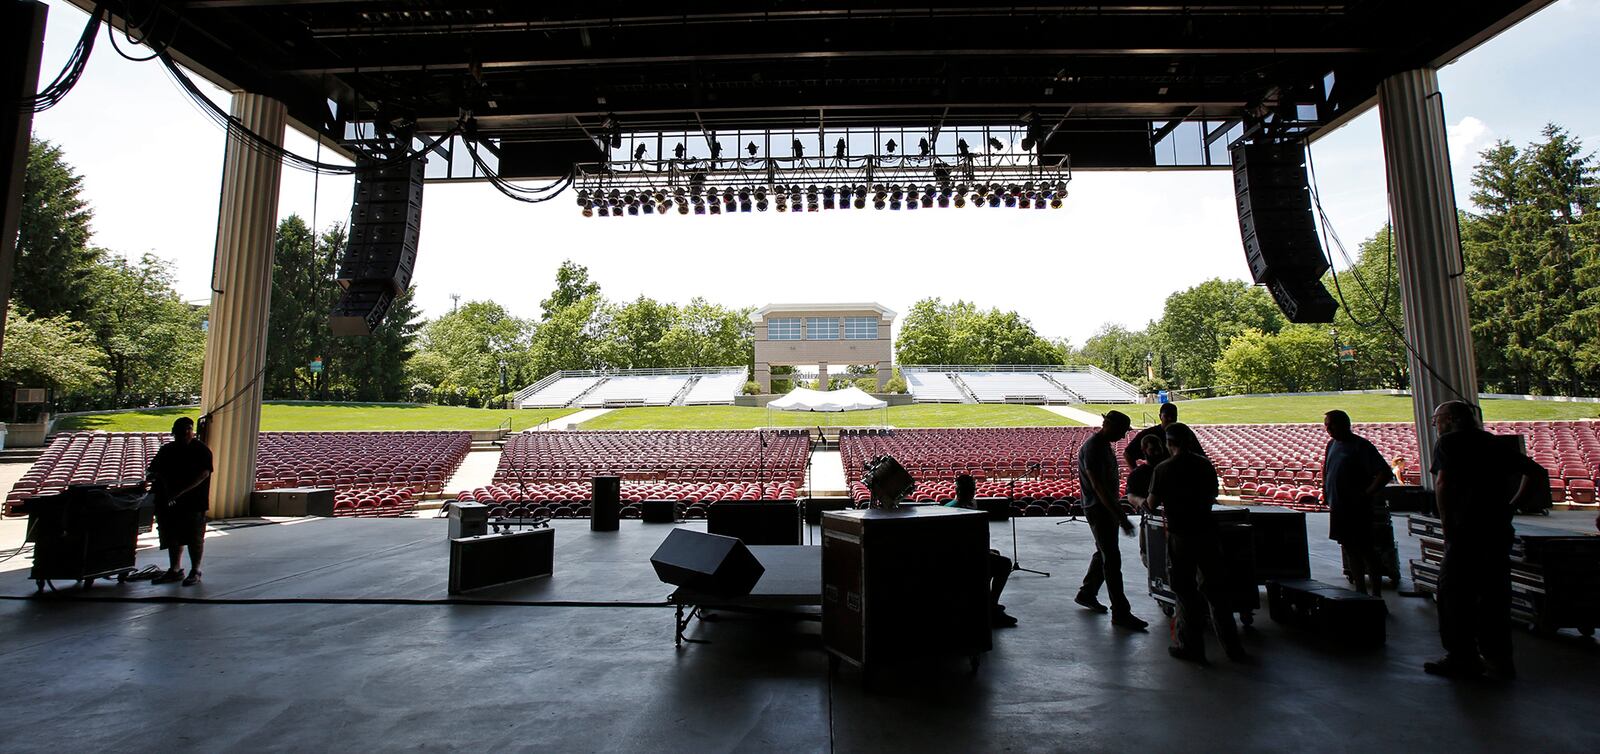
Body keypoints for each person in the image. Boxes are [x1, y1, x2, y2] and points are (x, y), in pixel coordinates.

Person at [1424, 400, 1532, 680]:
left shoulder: (1449, 443)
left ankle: (1461, 656)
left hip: (1464, 531)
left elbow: (1443, 483)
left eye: (1437, 419)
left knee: (1454, 595)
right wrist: (1511, 505)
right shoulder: (1492, 442)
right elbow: (1534, 472)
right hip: (1496, 530)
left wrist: (1447, 523)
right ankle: (1500, 659)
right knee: (1495, 595)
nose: (1435, 424)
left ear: (1449, 419)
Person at [1148, 422, 1246, 663]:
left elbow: (1151, 503)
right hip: (1207, 533)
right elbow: (1212, 494)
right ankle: (1232, 647)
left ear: (1169, 444)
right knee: (1217, 592)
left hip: (1181, 535)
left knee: (1184, 592)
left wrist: (1139, 499)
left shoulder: (1163, 469)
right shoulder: (1205, 465)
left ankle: (1190, 646)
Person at [1074, 410, 1147, 630]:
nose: (1125, 436)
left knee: (1103, 552)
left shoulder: (1103, 445)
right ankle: (1121, 613)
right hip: (1100, 509)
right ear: (1108, 425)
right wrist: (1120, 515)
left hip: (1102, 508)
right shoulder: (1094, 448)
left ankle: (1087, 593)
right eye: (1123, 431)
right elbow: (1099, 487)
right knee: (1112, 560)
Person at [1321, 410, 1394, 597]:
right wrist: (1326, 490)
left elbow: (1384, 473)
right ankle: (1360, 590)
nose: (1327, 428)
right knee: (1349, 549)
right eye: (1326, 424)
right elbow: (1327, 470)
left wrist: (1366, 494)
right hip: (1339, 507)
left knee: (1366, 549)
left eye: (1331, 424)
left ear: (1345, 424)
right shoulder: (1332, 445)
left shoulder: (1361, 446)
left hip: (1357, 509)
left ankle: (1376, 592)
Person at [145, 417, 213, 586]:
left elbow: (204, 474)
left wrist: (180, 491)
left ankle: (195, 569)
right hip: (169, 501)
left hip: (194, 501)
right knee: (172, 535)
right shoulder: (167, 450)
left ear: (192, 432)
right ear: (174, 432)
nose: (184, 434)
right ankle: (174, 569)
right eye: (181, 431)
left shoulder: (201, 450)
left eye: (188, 430)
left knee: (194, 537)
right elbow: (154, 471)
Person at [948, 474, 1018, 627]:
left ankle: (985, 602)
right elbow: (964, 543)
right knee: (1005, 564)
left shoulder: (953, 505)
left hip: (962, 553)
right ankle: (991, 607)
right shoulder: (960, 510)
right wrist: (984, 551)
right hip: (963, 558)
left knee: (996, 554)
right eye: (972, 489)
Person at [1124, 402, 1178, 468]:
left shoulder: (1184, 433)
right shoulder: (1148, 433)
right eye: (1166, 416)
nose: (1170, 419)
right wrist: (1138, 473)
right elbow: (1128, 453)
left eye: (1173, 416)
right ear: (1160, 416)